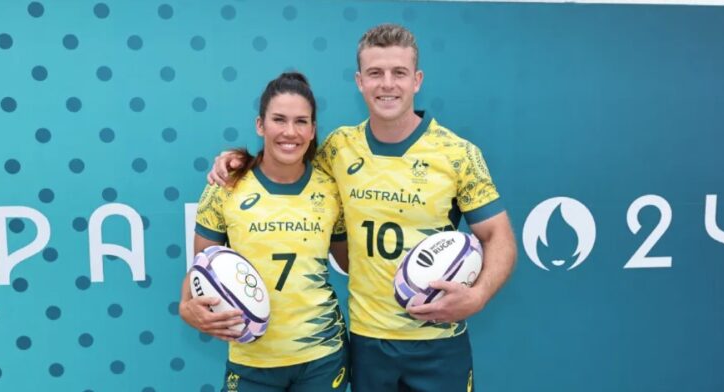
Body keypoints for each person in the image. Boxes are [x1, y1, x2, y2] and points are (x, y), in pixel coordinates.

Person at [208, 24, 516, 392]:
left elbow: (499, 236)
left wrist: (477, 296)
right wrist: (237, 162)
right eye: (375, 73)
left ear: (417, 80)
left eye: (399, 73)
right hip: (368, 342)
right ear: (359, 82)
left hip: (440, 341)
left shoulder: (459, 154)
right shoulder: (339, 148)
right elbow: (285, 156)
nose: (387, 84)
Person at [180, 72, 350, 392]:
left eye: (301, 122)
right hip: (251, 359)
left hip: (322, 356)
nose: (290, 132)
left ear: (313, 130)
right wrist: (185, 305)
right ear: (261, 125)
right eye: (279, 119)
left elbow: (355, 263)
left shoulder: (331, 189)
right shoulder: (226, 186)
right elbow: (202, 269)